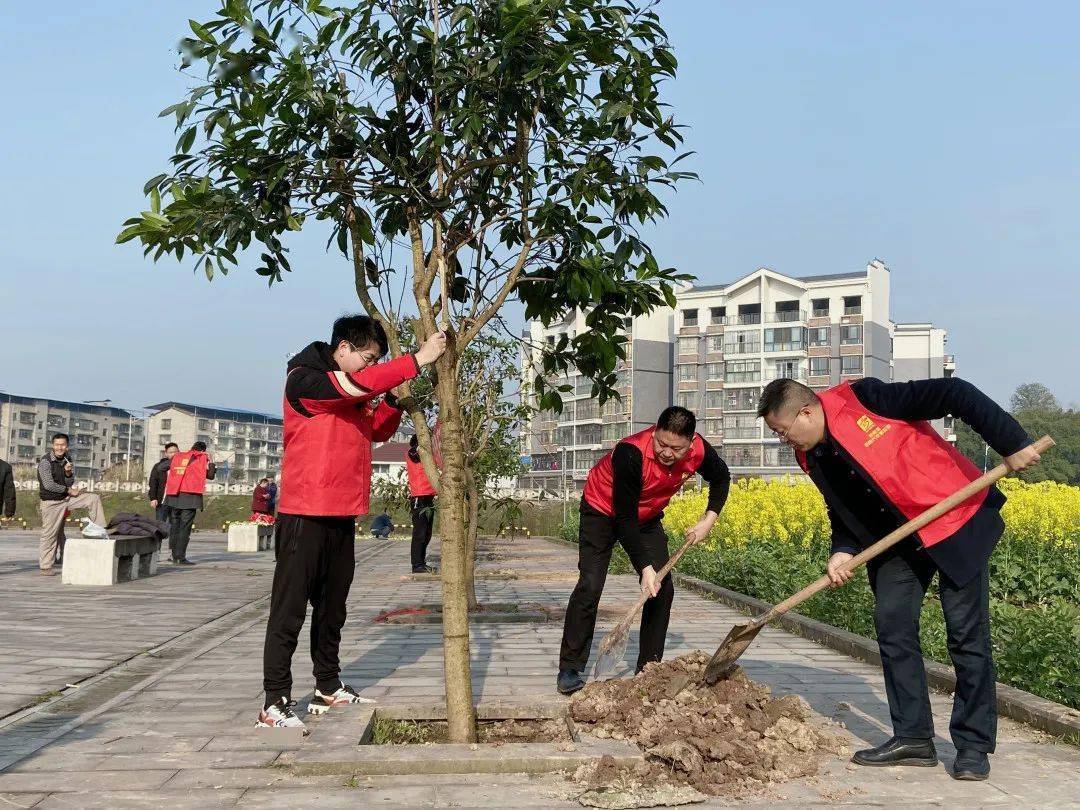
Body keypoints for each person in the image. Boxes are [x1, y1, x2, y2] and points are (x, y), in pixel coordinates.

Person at [757, 377, 1039, 782]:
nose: (785, 441)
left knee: (965, 635)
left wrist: (1011, 440)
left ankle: (973, 745)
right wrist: (843, 549)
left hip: (954, 521)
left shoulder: (868, 398)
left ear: (806, 411)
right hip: (897, 541)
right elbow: (843, 507)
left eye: (783, 431)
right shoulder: (812, 455)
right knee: (892, 627)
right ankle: (914, 738)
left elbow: (954, 393)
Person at [257, 314, 447, 733]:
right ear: (343, 347)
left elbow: (373, 428)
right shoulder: (307, 380)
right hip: (304, 512)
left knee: (332, 608)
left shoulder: (350, 389)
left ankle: (327, 683)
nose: (369, 366)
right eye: (369, 357)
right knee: (288, 610)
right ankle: (274, 700)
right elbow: (357, 385)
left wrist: (395, 402)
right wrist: (417, 359)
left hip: (342, 512)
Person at [557, 406, 731, 696]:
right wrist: (645, 568)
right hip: (602, 510)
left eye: (676, 448)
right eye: (661, 443)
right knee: (590, 585)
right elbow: (624, 518)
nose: (666, 452)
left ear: (690, 443)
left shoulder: (699, 450)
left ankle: (648, 670)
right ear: (654, 431)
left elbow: (722, 477)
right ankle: (569, 668)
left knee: (662, 589)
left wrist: (708, 520)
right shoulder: (631, 452)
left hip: (646, 516)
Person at [37, 433, 109, 575]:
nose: (60, 448)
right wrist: (69, 490)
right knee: (49, 534)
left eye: (62, 445)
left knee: (93, 498)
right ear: (53, 446)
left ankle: (100, 532)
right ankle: (45, 566)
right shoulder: (45, 462)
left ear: (67, 447)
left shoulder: (67, 459)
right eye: (57, 445)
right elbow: (48, 485)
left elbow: (69, 482)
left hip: (66, 498)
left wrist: (68, 473)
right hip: (51, 502)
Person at [163, 441, 217, 565]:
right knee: (184, 528)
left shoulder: (179, 457)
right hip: (190, 499)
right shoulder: (202, 458)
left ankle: (173, 555)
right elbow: (210, 475)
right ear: (203, 450)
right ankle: (180, 557)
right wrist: (212, 463)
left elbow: (161, 467)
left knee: (175, 527)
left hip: (174, 497)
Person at [406, 431, 441, 573]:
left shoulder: (427, 455)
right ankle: (417, 565)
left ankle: (421, 562)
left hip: (429, 498)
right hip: (419, 498)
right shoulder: (413, 452)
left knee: (427, 533)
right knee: (419, 533)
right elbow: (415, 453)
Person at [148, 442, 179, 525]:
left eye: (176, 452)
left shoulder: (181, 466)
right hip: (162, 501)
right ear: (166, 454)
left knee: (174, 526)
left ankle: (174, 538)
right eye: (171, 452)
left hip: (176, 501)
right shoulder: (158, 466)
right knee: (160, 525)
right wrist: (153, 498)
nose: (174, 454)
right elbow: (153, 482)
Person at [0, 457, 15, 523]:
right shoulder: (5, 467)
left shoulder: (5, 467)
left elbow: (9, 492)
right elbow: (9, 492)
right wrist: (9, 512)